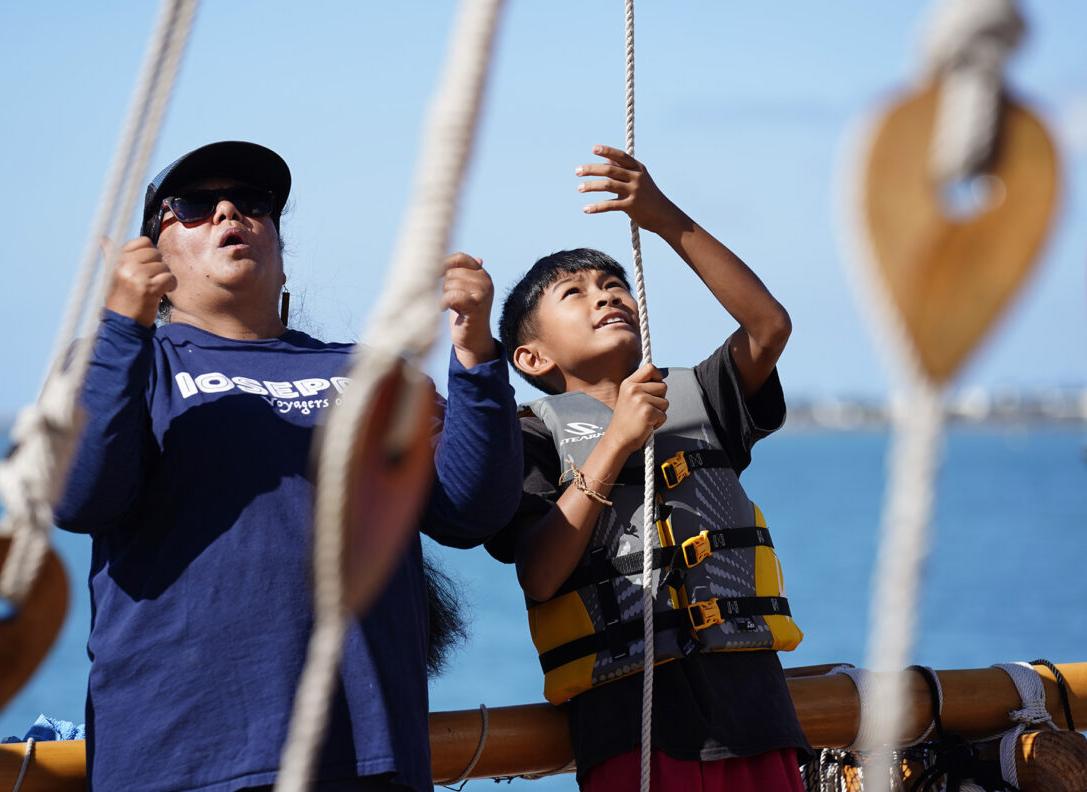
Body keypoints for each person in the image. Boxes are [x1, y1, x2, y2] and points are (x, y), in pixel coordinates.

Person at [53, 141, 523, 792]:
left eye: (251, 203)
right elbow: (81, 498)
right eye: (194, 206)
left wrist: (475, 355)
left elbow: (469, 510)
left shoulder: (372, 370)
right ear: (153, 254)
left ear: (277, 241)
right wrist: (120, 329)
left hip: (369, 758)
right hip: (178, 760)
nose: (228, 212)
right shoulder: (128, 363)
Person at [486, 145, 809, 791]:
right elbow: (542, 573)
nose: (605, 297)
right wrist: (615, 443)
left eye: (614, 285)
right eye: (573, 293)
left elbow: (768, 326)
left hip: (755, 711)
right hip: (628, 731)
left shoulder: (701, 398)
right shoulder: (527, 438)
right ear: (531, 356)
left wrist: (662, 216)